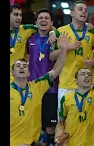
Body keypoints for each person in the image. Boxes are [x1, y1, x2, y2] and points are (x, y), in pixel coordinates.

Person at [10, 32, 69, 146]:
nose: (22, 67)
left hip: (32, 143)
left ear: (28, 72)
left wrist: (63, 50)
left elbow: (55, 72)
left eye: (25, 66)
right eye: (18, 66)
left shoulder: (36, 86)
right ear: (12, 73)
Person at [55, 37, 94, 146]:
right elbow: (61, 122)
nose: (86, 76)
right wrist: (58, 137)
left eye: (89, 74)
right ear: (76, 80)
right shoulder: (66, 98)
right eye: (83, 74)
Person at [49, 0, 94, 113]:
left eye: (86, 11)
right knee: (64, 122)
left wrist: (93, 62)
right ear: (72, 13)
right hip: (66, 84)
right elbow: (51, 56)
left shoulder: (93, 33)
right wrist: (67, 48)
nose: (84, 12)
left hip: (88, 83)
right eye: (80, 9)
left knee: (87, 122)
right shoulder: (60, 31)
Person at [27, 8, 59, 146]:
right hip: (32, 88)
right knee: (34, 124)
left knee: (50, 127)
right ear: (36, 22)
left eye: (47, 18)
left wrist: (54, 32)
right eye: (40, 18)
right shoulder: (29, 39)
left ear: (51, 22)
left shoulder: (55, 39)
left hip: (50, 89)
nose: (43, 20)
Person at [10, 4, 56, 82]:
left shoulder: (25, 29)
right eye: (16, 15)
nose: (19, 18)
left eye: (20, 15)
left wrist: (52, 32)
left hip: (19, 78)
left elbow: (47, 25)